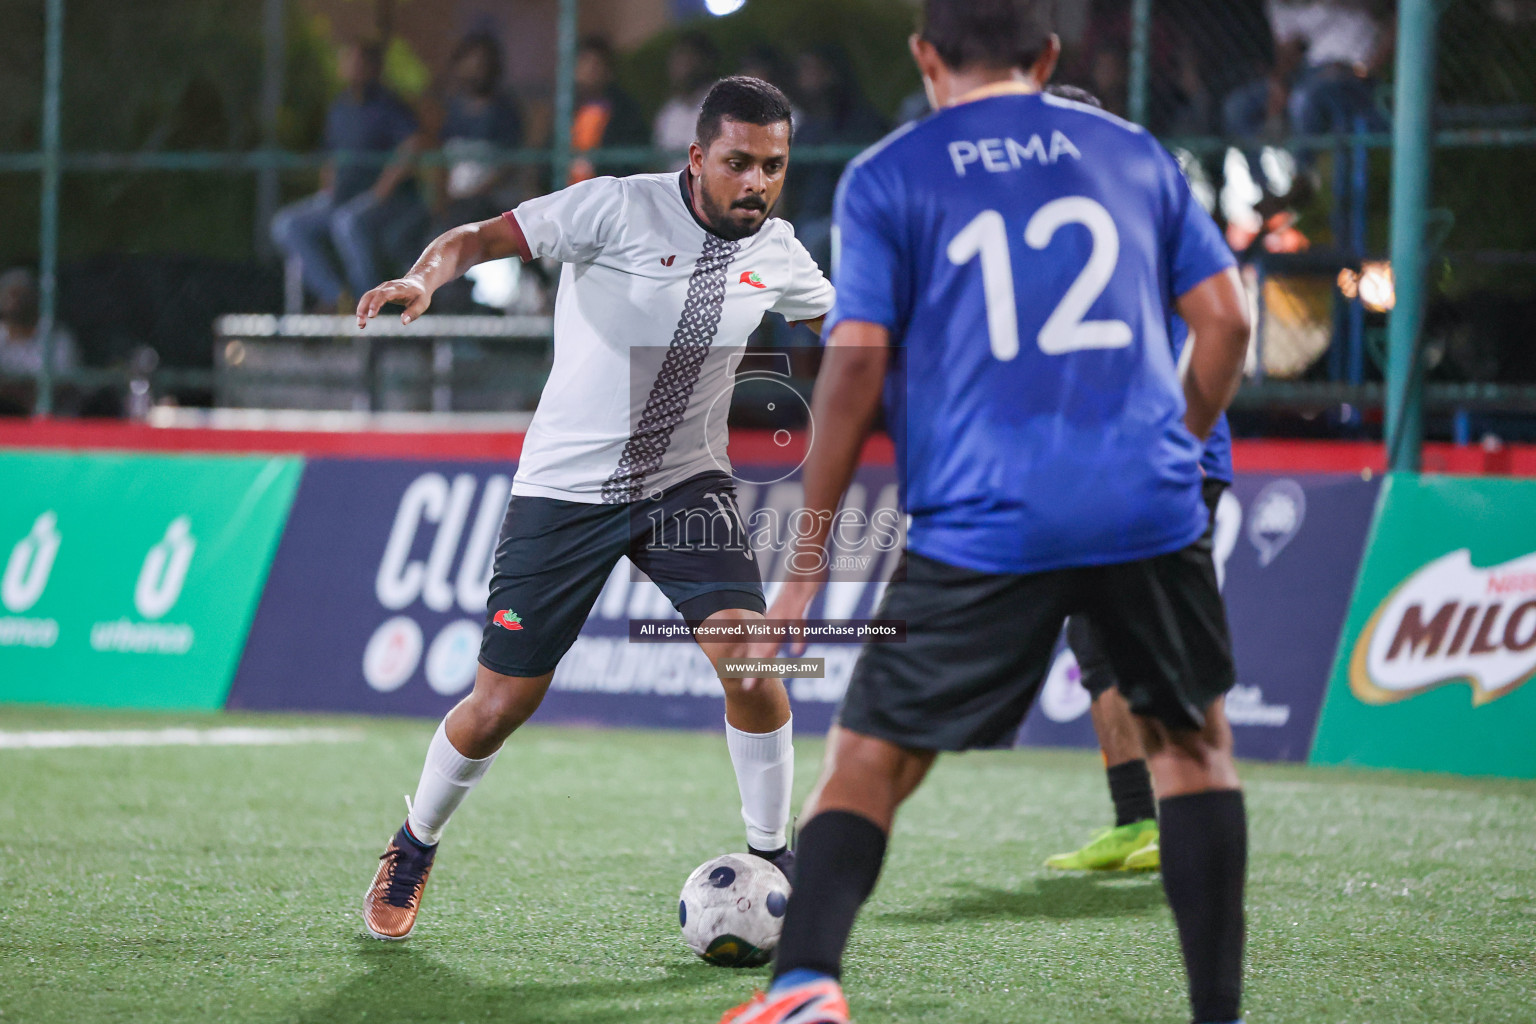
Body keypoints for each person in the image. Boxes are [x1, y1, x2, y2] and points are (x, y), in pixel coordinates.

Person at [720, 2, 1252, 1023]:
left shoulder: (890, 173)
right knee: (1195, 750)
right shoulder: (1138, 154)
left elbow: (855, 369)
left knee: (870, 756)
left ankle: (805, 985)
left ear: (926, 57)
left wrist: (806, 563)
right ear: (1049, 57)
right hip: (1145, 506)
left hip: (985, 517)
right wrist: (1177, 442)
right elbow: (1227, 322)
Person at [352, 77, 835, 943]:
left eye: (773, 165)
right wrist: (425, 279)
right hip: (564, 493)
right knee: (499, 705)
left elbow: (855, 326)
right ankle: (414, 843)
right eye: (738, 163)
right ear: (697, 158)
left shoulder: (784, 252)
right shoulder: (613, 209)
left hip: (689, 484)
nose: (756, 182)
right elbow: (477, 237)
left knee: (754, 667)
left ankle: (776, 856)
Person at [1040, 84, 1238, 876]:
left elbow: (1221, 321)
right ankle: (1136, 821)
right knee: (1098, 642)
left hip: (1171, 459)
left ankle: (1195, 819)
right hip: (1099, 468)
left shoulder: (1144, 208)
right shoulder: (1049, 227)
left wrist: (1177, 444)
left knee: (1163, 648)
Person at [270, 40, 427, 309]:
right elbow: (330, 154)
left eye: (359, 63)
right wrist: (326, 190)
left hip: (385, 202)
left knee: (348, 223)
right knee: (287, 225)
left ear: (372, 68)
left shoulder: (389, 106)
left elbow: (413, 145)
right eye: (347, 62)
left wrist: (382, 189)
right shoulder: (339, 107)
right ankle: (336, 298)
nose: (352, 69)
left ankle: (368, 303)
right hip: (340, 198)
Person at [568, 36, 649, 184]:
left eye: (596, 64)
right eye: (584, 63)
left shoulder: (625, 111)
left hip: (608, 195)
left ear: (608, 70)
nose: (589, 71)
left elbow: (630, 160)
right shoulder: (566, 107)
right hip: (569, 195)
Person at [0, 268, 78, 416]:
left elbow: (63, 386)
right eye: (10, 294)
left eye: (21, 295)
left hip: (47, 418)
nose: (15, 301)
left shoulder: (56, 337)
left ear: (35, 298)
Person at [652, 32, 721, 155]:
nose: (681, 65)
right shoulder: (668, 113)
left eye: (688, 57)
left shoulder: (724, 105)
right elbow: (657, 162)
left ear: (706, 62)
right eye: (677, 58)